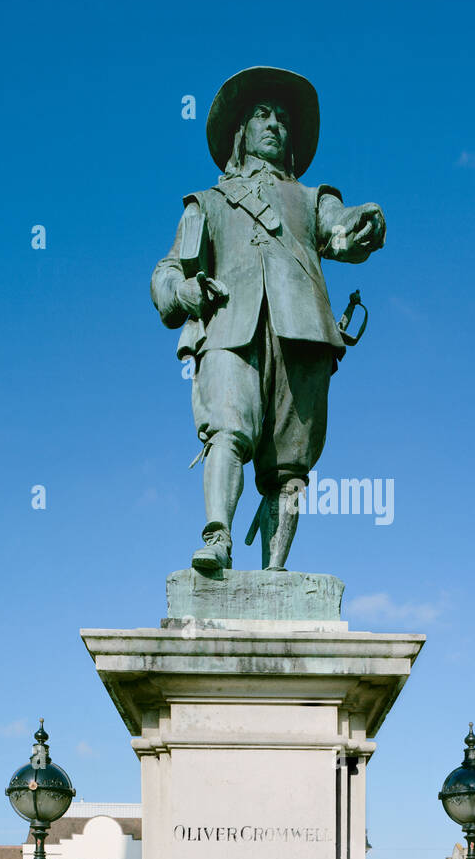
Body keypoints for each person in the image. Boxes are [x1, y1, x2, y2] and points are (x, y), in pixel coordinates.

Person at [151, 65, 386, 573]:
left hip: (302, 333)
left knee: (289, 466)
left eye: (283, 117)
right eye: (263, 114)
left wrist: (360, 225)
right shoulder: (207, 204)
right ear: (241, 132)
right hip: (229, 328)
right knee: (228, 431)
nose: (276, 124)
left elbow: (339, 231)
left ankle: (275, 572)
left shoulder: (312, 198)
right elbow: (166, 272)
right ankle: (218, 537)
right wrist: (185, 291)